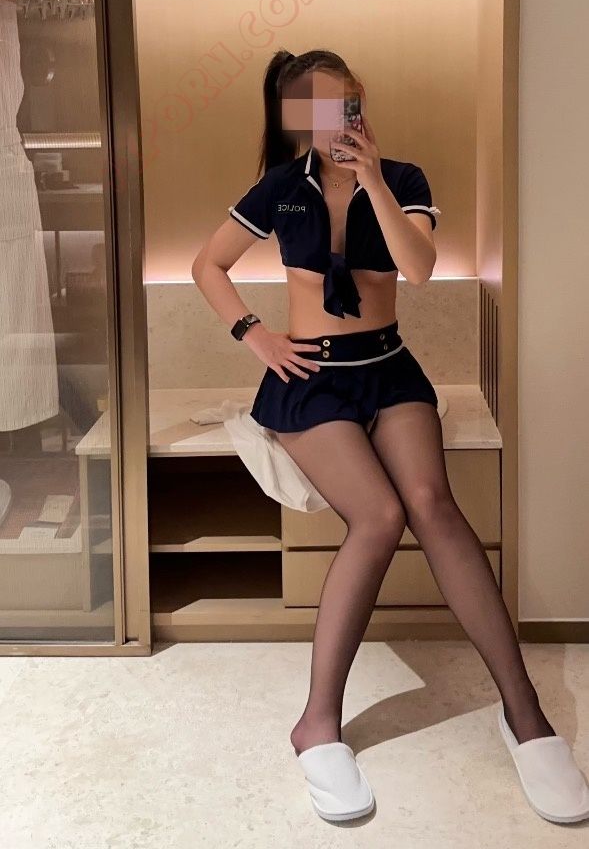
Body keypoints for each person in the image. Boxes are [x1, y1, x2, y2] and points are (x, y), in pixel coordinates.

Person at [192, 48, 589, 824]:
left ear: (358, 101)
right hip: (310, 378)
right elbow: (210, 265)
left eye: (340, 102)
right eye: (311, 108)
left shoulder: (403, 178)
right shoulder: (281, 187)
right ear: (296, 117)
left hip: (388, 368)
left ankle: (523, 712)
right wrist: (254, 334)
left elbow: (420, 269)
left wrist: (371, 178)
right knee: (377, 517)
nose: (329, 120)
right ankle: (316, 723)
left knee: (432, 505)